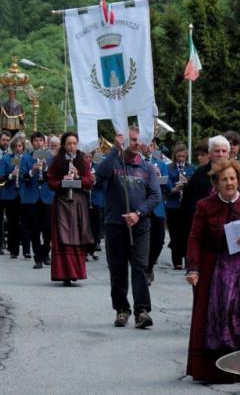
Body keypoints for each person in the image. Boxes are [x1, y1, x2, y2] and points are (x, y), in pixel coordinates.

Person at [185, 159, 240, 383]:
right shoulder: (205, 206)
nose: (229, 183)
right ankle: (214, 369)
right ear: (216, 183)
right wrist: (193, 268)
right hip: (214, 268)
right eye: (224, 179)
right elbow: (195, 238)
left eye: (233, 178)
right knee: (217, 317)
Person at [95, 127, 161, 329]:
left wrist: (138, 213)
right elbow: (100, 174)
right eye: (131, 140)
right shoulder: (114, 162)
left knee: (140, 267)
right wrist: (114, 150)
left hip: (140, 226)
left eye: (137, 140)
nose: (135, 143)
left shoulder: (147, 168)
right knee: (117, 269)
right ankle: (122, 309)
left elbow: (155, 196)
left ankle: (142, 311)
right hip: (115, 224)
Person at [47, 132, 93, 286]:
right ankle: (64, 274)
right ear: (64, 145)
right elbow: (51, 182)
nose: (72, 147)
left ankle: (76, 273)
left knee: (77, 236)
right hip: (61, 202)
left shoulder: (82, 161)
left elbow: (89, 181)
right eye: (69, 144)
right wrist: (62, 181)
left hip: (78, 203)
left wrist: (78, 177)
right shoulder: (57, 161)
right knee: (62, 236)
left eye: (74, 144)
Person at [181, 135, 231, 245]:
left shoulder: (235, 172)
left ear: (228, 153)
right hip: (204, 228)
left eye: (224, 151)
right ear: (210, 153)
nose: (221, 154)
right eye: (217, 151)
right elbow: (188, 202)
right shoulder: (199, 173)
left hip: (229, 227)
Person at [19, 132, 54, 269]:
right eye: (36, 141)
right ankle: (37, 258)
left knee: (48, 229)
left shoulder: (50, 157)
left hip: (46, 197)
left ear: (44, 143)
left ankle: (46, 253)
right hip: (32, 198)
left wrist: (45, 168)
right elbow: (22, 177)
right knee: (34, 229)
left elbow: (53, 176)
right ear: (32, 143)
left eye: (41, 140)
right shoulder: (26, 158)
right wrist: (31, 171)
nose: (38, 143)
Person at [142, 141, 171, 285]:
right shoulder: (136, 163)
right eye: (145, 144)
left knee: (159, 240)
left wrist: (159, 176)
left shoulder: (161, 164)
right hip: (141, 206)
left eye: (150, 145)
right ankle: (143, 269)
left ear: (154, 147)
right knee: (142, 240)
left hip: (158, 208)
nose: (147, 148)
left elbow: (169, 187)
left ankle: (150, 265)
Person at [0, 134, 27, 259]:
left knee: (25, 222)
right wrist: (10, 175)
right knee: (12, 222)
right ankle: (13, 249)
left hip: (24, 194)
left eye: (20, 146)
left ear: (23, 147)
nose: (18, 149)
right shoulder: (7, 159)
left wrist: (24, 174)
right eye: (15, 146)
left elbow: (30, 173)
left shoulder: (27, 158)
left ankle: (26, 250)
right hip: (10, 194)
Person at [166, 143, 196, 270]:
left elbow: (195, 184)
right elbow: (166, 184)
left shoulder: (192, 168)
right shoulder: (169, 168)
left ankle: (187, 258)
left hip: (187, 206)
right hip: (173, 205)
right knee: (174, 234)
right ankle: (177, 260)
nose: (181, 159)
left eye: (183, 156)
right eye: (179, 156)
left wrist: (187, 184)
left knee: (187, 233)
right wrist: (173, 189)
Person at [86, 151, 105, 261]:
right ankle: (85, 250)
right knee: (85, 225)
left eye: (90, 157)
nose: (88, 159)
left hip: (96, 199)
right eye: (86, 157)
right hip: (85, 198)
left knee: (96, 224)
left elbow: (103, 182)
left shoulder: (97, 167)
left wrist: (95, 179)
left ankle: (93, 248)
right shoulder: (80, 168)